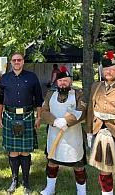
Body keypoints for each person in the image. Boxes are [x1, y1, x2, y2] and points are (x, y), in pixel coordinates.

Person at [0, 52, 43, 195]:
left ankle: (26, 181)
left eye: (19, 60)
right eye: (14, 60)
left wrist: (39, 117)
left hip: (28, 115)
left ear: (23, 62)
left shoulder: (32, 77)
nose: (16, 62)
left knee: (25, 150)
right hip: (9, 115)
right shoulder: (5, 78)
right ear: (11, 62)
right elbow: (0, 100)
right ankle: (14, 180)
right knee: (13, 151)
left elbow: (39, 99)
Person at [40, 67, 87, 195]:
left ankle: (81, 191)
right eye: (60, 81)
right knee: (52, 162)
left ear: (70, 82)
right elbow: (44, 111)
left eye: (65, 81)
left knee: (78, 165)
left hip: (73, 135)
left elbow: (82, 112)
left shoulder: (78, 93)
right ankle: (50, 188)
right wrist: (55, 121)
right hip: (55, 133)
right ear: (57, 82)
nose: (62, 83)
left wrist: (67, 122)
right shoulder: (50, 93)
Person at [87, 51, 115, 195]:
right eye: (105, 69)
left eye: (111, 69)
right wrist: (90, 132)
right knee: (104, 169)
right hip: (100, 133)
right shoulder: (96, 87)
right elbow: (90, 110)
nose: (108, 72)